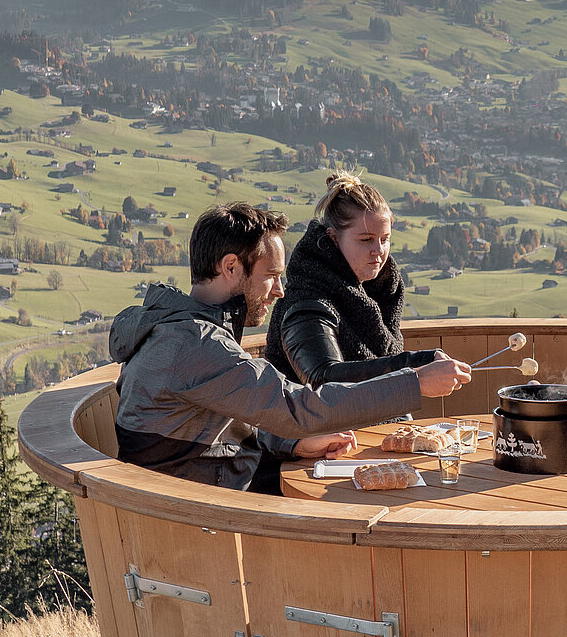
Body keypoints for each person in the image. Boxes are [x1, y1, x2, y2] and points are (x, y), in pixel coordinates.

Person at [109, 201, 469, 491]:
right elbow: (302, 408)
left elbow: (218, 423)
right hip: (201, 516)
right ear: (231, 267)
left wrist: (292, 444)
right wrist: (415, 382)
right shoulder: (196, 345)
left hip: (201, 493)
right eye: (270, 275)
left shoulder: (182, 330)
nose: (280, 290)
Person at [266, 172, 431, 386]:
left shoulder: (379, 293)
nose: (378, 250)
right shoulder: (305, 304)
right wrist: (417, 366)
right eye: (366, 240)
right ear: (333, 238)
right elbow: (322, 379)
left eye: (385, 239)